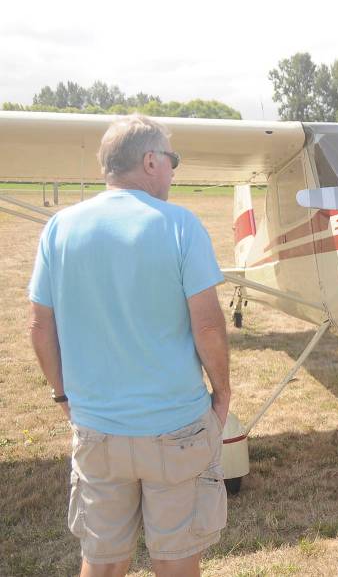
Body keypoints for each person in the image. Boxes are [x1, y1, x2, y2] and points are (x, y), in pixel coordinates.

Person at [28, 114, 230, 577]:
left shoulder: (60, 227)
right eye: (172, 161)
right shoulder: (181, 225)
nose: (174, 172)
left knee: (102, 562)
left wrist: (63, 395)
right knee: (175, 562)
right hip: (177, 426)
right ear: (151, 161)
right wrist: (222, 393)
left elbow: (39, 327)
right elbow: (210, 328)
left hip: (97, 430)